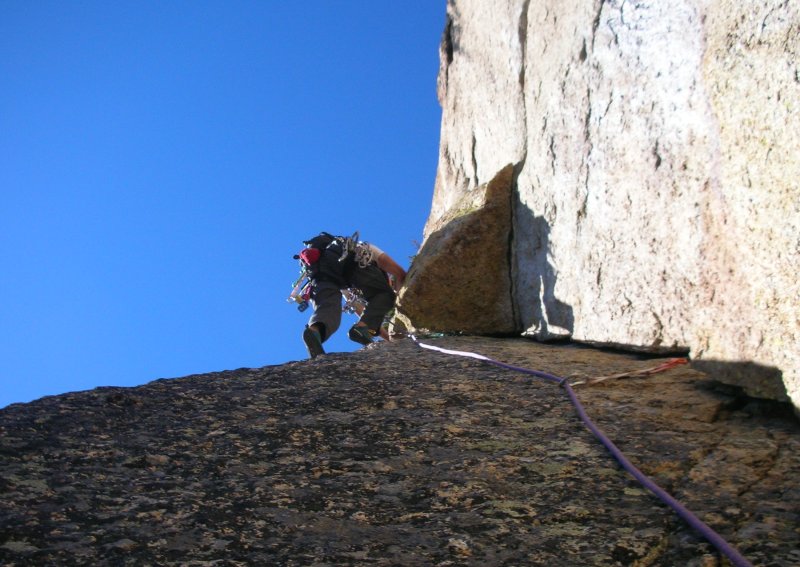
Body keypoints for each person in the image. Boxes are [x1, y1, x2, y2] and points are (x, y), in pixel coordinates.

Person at [301, 234, 406, 359]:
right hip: (352, 265)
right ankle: (361, 329)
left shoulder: (330, 254)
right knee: (385, 295)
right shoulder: (363, 247)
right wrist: (399, 297)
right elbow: (400, 273)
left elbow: (359, 309)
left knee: (328, 308)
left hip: (319, 274)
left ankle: (314, 332)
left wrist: (386, 337)